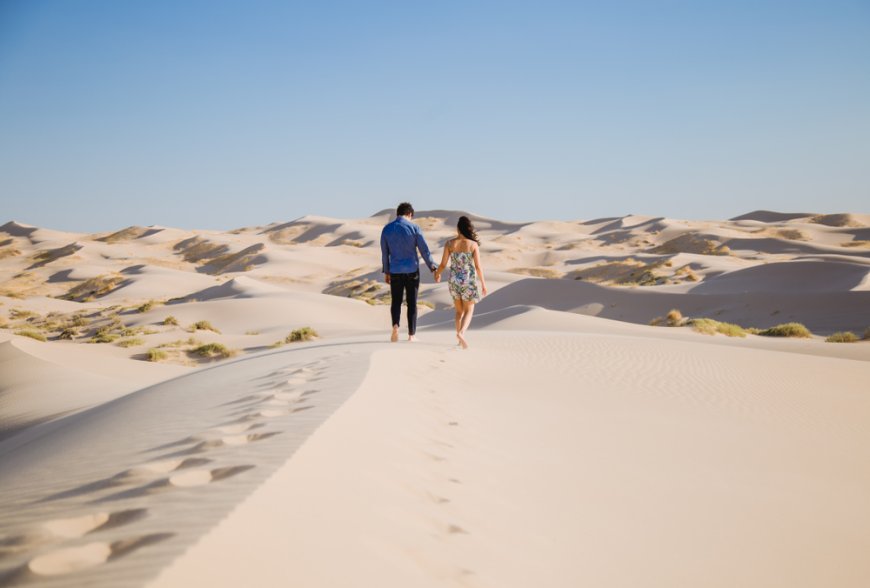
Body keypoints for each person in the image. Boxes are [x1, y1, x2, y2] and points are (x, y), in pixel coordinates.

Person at [380, 202, 438, 342]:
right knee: (412, 303)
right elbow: (424, 250)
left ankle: (395, 326)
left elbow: (384, 253)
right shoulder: (414, 228)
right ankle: (411, 335)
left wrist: (387, 271)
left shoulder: (387, 229)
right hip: (412, 270)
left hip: (395, 271)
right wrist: (432, 267)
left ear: (398, 214)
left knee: (396, 301)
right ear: (410, 214)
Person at [434, 215, 488, 349]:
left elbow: (443, 264)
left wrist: (437, 274)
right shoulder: (473, 244)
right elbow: (478, 267)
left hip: (454, 281)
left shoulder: (449, 244)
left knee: (459, 311)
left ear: (458, 228)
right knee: (469, 310)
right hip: (468, 281)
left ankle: (459, 339)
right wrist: (483, 284)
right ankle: (462, 333)